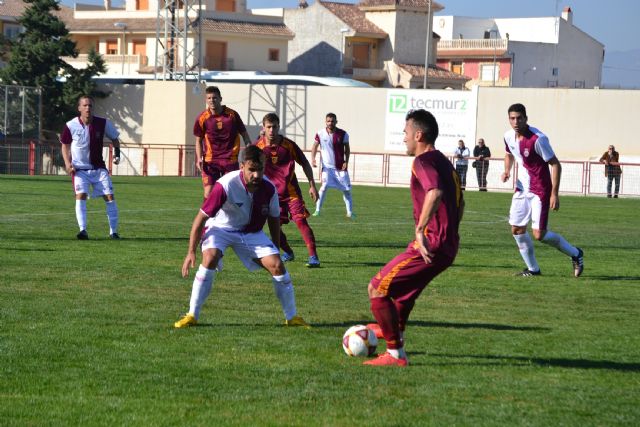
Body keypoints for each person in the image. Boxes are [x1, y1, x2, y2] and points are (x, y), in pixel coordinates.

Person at [364, 109, 464, 367]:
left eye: (406, 133)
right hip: (446, 244)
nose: (404, 138)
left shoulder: (422, 161)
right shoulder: (443, 161)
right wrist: (450, 232)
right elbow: (460, 202)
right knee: (405, 295)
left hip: (432, 242)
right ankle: (393, 331)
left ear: (418, 134)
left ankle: (395, 353)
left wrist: (421, 230)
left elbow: (435, 192)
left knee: (377, 288)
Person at [174, 145, 310, 329]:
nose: (256, 175)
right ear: (242, 167)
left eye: (260, 170)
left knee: (278, 266)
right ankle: (192, 315)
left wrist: (275, 248)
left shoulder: (269, 189)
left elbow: (274, 220)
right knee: (210, 257)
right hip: (221, 229)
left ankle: (292, 317)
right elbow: (201, 218)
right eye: (251, 170)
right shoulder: (226, 185)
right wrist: (190, 251)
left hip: (251, 233)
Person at [501, 103, 584, 278]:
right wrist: (507, 170)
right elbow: (508, 154)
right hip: (522, 188)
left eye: (519, 118)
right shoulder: (508, 136)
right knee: (516, 229)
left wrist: (554, 193)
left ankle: (576, 253)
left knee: (540, 234)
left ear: (526, 118)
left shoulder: (538, 139)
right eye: (512, 118)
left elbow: (555, 164)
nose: (515, 122)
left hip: (540, 190)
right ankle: (533, 270)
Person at [255, 113, 321, 268]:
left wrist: (312, 185)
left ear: (279, 127)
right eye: (269, 127)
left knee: (301, 222)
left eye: (275, 127)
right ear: (263, 128)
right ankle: (288, 252)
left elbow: (305, 163)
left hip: (291, 192)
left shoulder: (288, 145)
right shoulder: (258, 147)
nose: (272, 130)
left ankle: (314, 257)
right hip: (271, 195)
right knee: (275, 227)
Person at [60, 95, 121, 240]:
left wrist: (117, 155)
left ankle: (114, 232)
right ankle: (83, 230)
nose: (88, 108)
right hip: (80, 170)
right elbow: (65, 145)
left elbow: (115, 139)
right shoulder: (71, 125)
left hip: (99, 169)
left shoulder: (103, 123)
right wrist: (68, 164)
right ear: (79, 108)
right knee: (80, 195)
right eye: (85, 105)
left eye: (90, 106)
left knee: (110, 197)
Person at [193, 85, 252, 199]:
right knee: (209, 192)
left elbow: (244, 135)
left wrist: (248, 155)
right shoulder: (202, 118)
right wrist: (199, 158)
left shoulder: (232, 115)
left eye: (214, 97)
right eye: (209, 98)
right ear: (206, 100)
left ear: (220, 98)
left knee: (230, 192)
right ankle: (209, 216)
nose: (212, 100)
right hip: (211, 160)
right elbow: (198, 140)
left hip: (230, 160)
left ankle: (229, 216)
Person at [310, 113, 355, 218]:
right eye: (328, 121)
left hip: (340, 168)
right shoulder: (320, 133)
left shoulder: (343, 134)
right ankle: (317, 210)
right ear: (325, 122)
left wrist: (346, 161)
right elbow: (314, 146)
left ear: (336, 122)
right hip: (327, 168)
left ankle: (350, 213)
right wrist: (313, 158)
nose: (330, 123)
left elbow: (347, 149)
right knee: (324, 187)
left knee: (347, 191)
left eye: (332, 121)